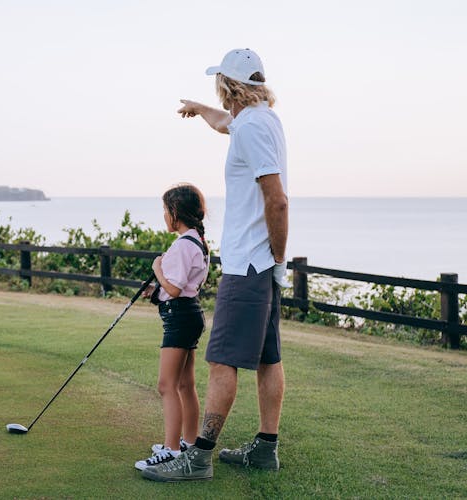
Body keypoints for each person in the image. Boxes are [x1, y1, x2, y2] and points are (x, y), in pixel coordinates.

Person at [142, 48, 290, 482]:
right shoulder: (261, 120)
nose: (217, 94)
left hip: (249, 263)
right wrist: (199, 109)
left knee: (221, 360)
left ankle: (198, 457)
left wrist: (275, 257)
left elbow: (276, 200)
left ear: (231, 86)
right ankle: (265, 449)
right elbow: (226, 123)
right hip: (262, 265)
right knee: (268, 358)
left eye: (218, 86)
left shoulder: (251, 129)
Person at [134, 183, 210, 472]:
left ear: (175, 213)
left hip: (179, 317)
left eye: (165, 210)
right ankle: (188, 443)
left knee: (166, 386)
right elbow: (181, 287)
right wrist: (156, 289)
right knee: (184, 384)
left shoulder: (181, 246)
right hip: (190, 315)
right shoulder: (198, 243)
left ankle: (172, 450)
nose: (164, 216)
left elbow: (176, 289)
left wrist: (156, 270)